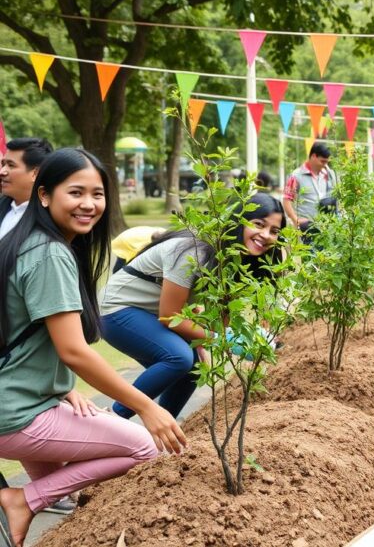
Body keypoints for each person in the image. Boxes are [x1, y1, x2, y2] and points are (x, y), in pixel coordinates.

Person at [0, 149, 185, 547]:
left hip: (23, 402)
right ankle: (21, 500)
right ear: (45, 195)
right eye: (76, 192)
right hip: (17, 414)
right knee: (144, 447)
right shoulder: (48, 253)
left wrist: (64, 390)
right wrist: (147, 406)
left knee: (71, 489)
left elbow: (24, 334)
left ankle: (32, 507)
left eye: (98, 194)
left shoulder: (29, 243)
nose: (89, 204)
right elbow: (74, 351)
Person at [99, 193, 286, 420]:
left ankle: (164, 430)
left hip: (149, 313)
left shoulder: (236, 261)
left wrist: (227, 336)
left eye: (274, 231)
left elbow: (218, 323)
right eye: (258, 224)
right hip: (117, 309)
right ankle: (111, 420)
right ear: (238, 220)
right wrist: (219, 339)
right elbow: (170, 316)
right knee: (178, 357)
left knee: (193, 368)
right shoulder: (194, 251)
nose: (265, 235)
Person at [0, 137, 54, 240]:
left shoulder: (49, 219)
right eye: (3, 164)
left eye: (11, 165)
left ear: (36, 173)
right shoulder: (3, 206)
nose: (2, 172)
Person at [282, 142, 335, 231]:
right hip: (305, 228)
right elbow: (286, 200)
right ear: (313, 156)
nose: (325, 165)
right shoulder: (296, 175)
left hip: (323, 228)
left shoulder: (327, 175)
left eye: (326, 162)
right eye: (322, 161)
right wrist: (296, 220)